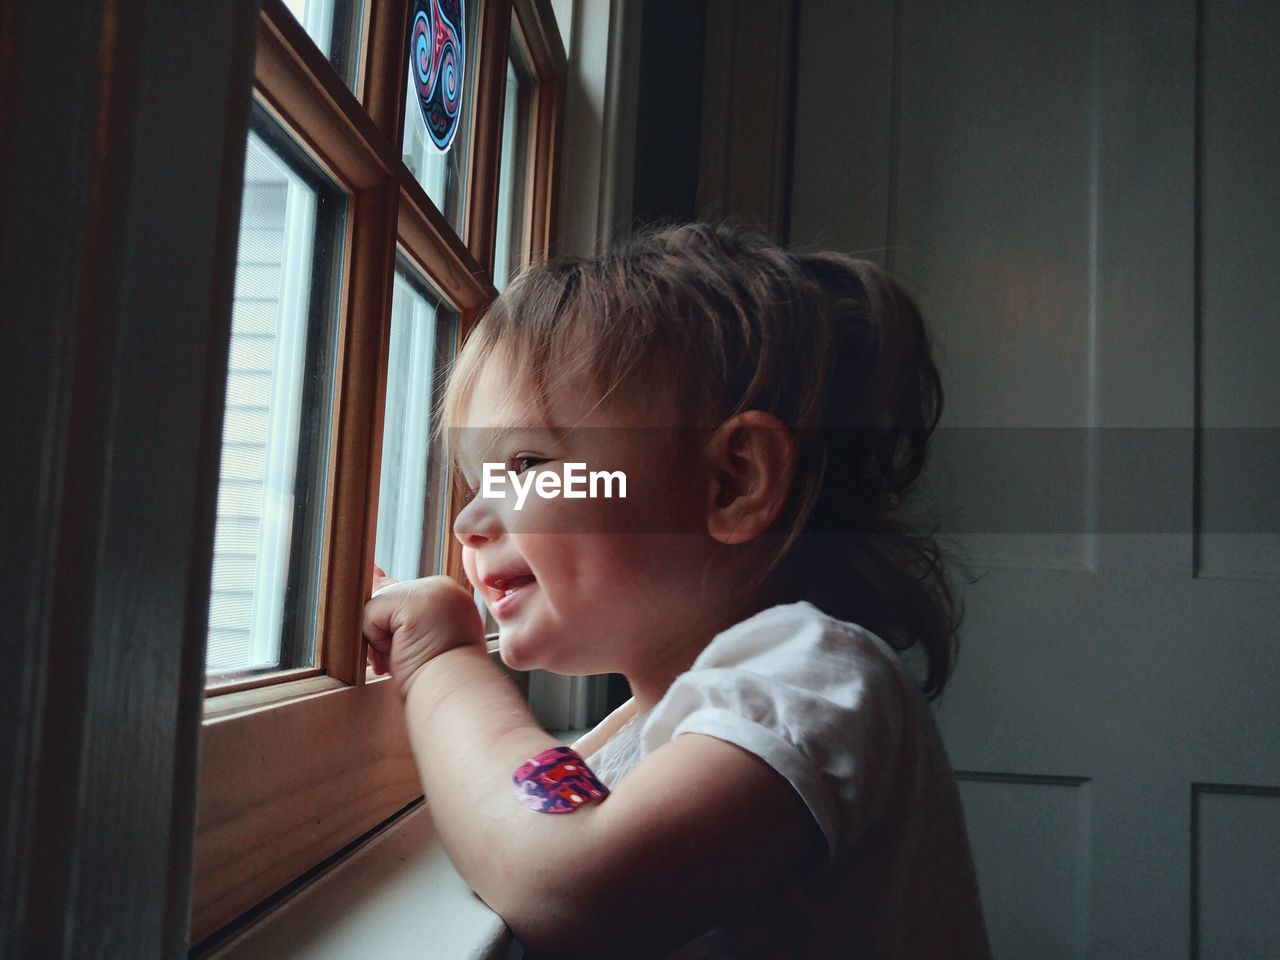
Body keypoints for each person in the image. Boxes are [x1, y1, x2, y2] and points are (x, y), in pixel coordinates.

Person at [363, 222, 991, 958]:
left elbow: (573, 881)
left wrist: (444, 662)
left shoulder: (813, 680)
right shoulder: (646, 730)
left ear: (733, 481)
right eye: (477, 481)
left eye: (527, 464)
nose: (469, 520)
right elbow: (526, 812)